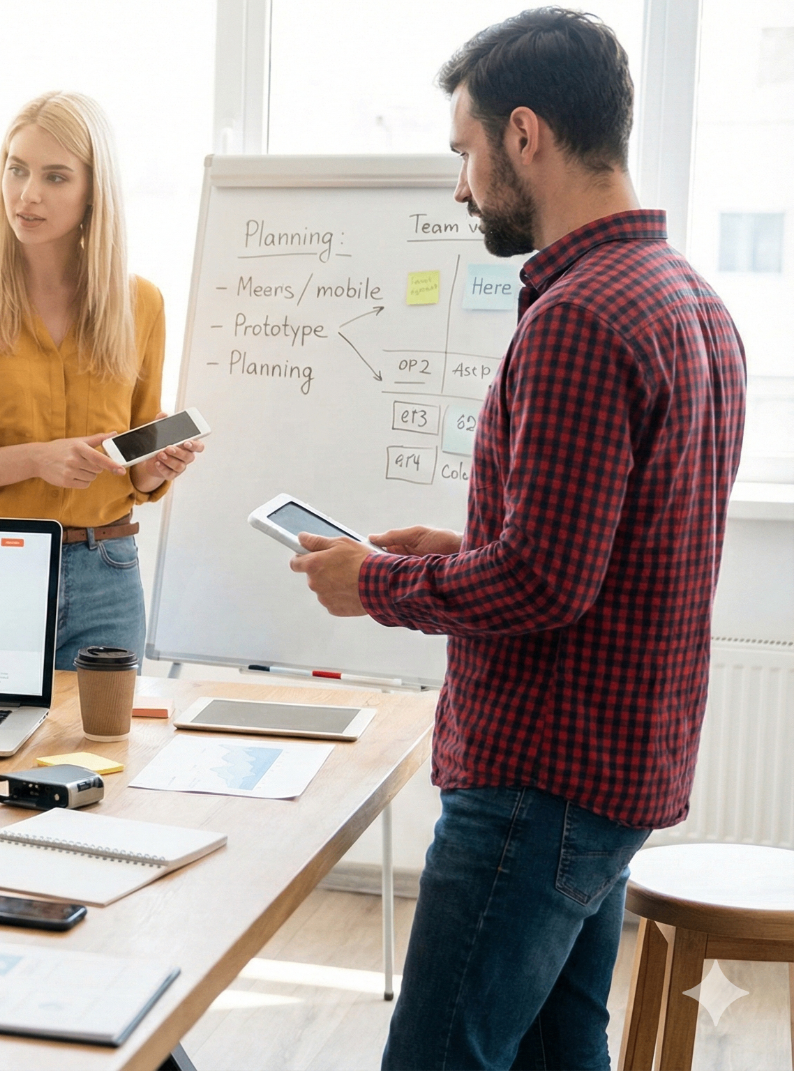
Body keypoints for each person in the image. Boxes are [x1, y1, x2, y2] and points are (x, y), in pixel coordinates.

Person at [287, 12, 746, 1069]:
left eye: (466, 152)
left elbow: (547, 581)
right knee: (552, 1055)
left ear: (525, 136)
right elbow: (611, 547)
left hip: (538, 782)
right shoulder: (692, 302)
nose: (461, 187)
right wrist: (463, 545)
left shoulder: (581, 316)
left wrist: (383, 583)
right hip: (611, 773)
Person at [0, 91, 202, 669]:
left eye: (55, 177)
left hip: (106, 571)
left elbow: (132, 466)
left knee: (104, 755)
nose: (26, 194)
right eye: (16, 169)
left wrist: (155, 468)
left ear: (92, 192)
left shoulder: (141, 304)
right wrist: (35, 459)